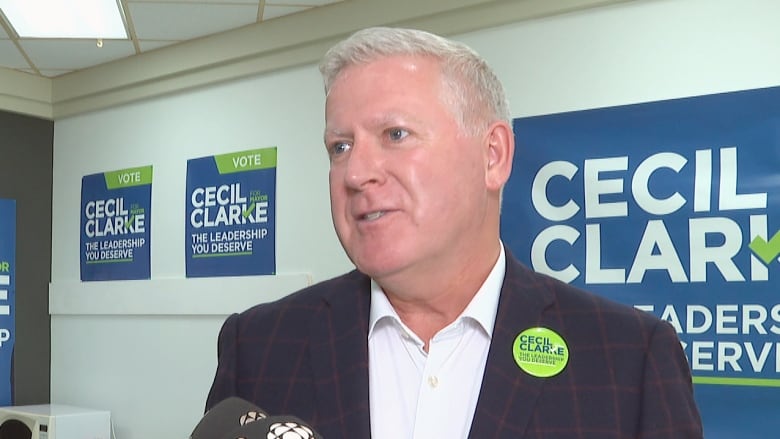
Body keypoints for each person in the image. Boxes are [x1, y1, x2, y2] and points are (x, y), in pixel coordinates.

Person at [206, 26, 703, 438]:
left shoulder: (630, 359)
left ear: (493, 156)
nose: (356, 173)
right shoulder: (259, 347)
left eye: (394, 135)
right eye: (339, 146)